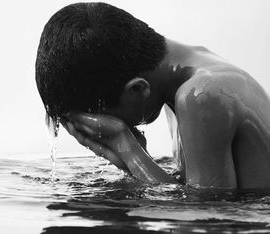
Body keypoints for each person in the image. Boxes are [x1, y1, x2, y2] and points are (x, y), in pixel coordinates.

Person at [35, 2, 270, 189]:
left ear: (137, 89)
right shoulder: (183, 77)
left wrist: (126, 147)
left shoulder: (200, 96)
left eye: (101, 118)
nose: (105, 127)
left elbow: (206, 221)